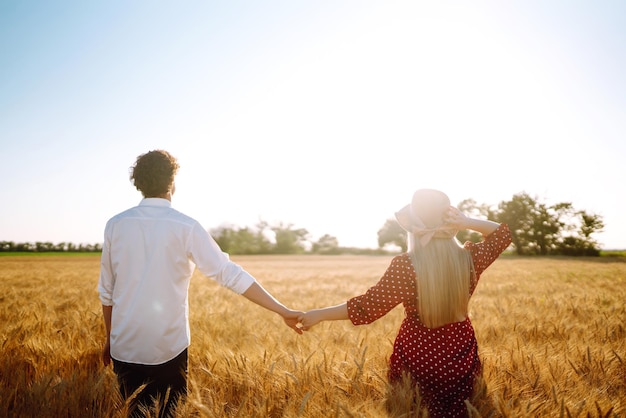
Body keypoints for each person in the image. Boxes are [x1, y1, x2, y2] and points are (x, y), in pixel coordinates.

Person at [98, 149, 303, 417]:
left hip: (124, 346)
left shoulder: (115, 225)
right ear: (172, 182)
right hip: (167, 349)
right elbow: (229, 273)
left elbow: (107, 291)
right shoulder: (186, 226)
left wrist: (110, 338)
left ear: (138, 184)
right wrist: (282, 310)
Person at [299, 189, 512, 417]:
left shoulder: (406, 265)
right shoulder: (468, 259)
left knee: (411, 408)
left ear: (412, 226)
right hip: (459, 347)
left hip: (417, 350)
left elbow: (368, 307)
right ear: (451, 219)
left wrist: (319, 314)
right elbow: (502, 235)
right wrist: (467, 221)